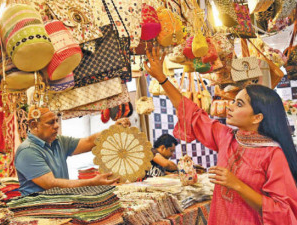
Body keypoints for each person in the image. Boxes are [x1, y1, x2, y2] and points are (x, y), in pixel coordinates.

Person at [144, 47, 297, 224]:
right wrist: (162, 78)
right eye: (233, 101)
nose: (230, 106)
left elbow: (283, 212)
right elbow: (191, 113)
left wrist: (237, 184)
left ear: (257, 117)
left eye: (239, 104)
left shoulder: (273, 154)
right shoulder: (227, 137)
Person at [15, 106, 130, 196]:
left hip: (58, 206)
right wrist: (92, 182)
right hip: (37, 213)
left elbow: (89, 142)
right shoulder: (27, 151)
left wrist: (114, 130)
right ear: (34, 125)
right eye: (51, 122)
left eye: (56, 120)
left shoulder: (57, 141)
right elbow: (51, 184)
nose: (57, 125)